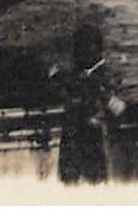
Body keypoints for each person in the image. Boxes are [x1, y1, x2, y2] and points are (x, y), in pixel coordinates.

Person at [57, 21, 128, 185]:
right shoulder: (82, 75)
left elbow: (119, 109)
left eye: (78, 49)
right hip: (79, 147)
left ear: (92, 49)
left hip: (91, 146)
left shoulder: (101, 78)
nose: (75, 54)